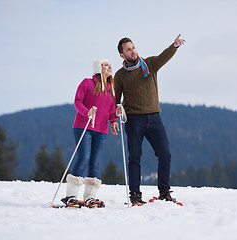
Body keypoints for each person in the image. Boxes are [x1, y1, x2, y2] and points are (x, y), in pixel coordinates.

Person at [111, 34, 185, 205]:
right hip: (134, 120)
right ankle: (135, 194)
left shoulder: (150, 64)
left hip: (154, 117)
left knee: (165, 155)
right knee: (135, 157)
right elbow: (115, 100)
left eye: (133, 47)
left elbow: (163, 57)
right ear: (122, 55)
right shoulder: (120, 75)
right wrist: (112, 118)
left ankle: (164, 192)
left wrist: (174, 46)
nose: (133, 51)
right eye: (128, 49)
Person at [62, 58, 120, 208]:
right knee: (84, 157)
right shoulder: (87, 83)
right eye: (105, 64)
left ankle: (90, 197)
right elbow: (77, 101)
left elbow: (111, 110)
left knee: (95, 161)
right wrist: (87, 112)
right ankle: (71, 195)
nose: (109, 66)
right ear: (98, 68)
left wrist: (114, 121)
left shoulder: (111, 89)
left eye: (109, 64)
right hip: (84, 126)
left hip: (101, 129)